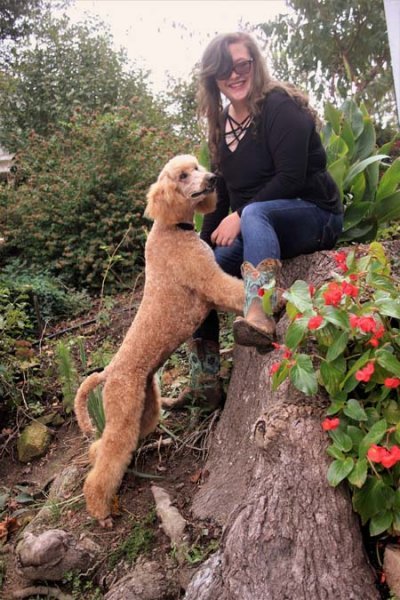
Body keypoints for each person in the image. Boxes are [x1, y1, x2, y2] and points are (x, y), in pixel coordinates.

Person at [177, 31, 343, 409]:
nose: (234, 75)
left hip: (314, 214)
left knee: (254, 213)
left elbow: (291, 178)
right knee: (201, 273)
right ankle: (205, 381)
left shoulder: (279, 107)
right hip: (260, 228)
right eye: (224, 70)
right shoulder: (220, 124)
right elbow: (220, 194)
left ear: (255, 64)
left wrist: (239, 215)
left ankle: (260, 313)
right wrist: (198, 248)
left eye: (242, 65)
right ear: (213, 78)